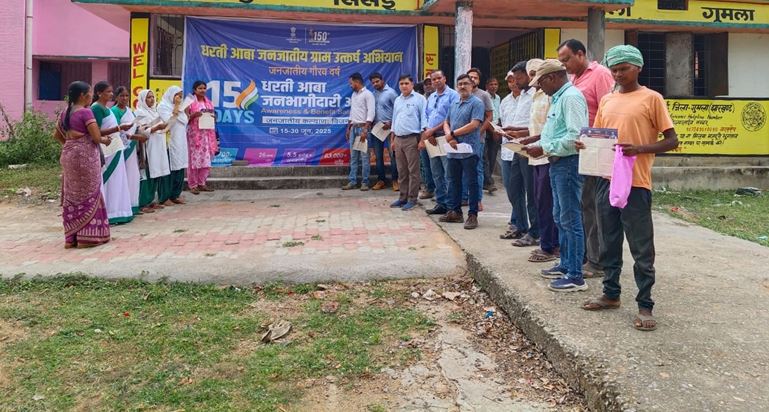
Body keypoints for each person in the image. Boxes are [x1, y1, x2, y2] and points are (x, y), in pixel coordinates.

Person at [580, 45, 678, 332]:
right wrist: (585, 145)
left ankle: (645, 305)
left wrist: (640, 149)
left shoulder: (652, 98)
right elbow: (600, 136)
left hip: (636, 183)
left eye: (624, 68)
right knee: (608, 242)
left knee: (641, 247)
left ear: (638, 67)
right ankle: (611, 294)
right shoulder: (607, 100)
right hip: (606, 181)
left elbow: (672, 140)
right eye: (614, 69)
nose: (618, 74)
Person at [522, 59, 588, 292]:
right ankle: (566, 264)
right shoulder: (559, 98)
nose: (540, 88)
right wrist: (537, 143)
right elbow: (554, 132)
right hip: (557, 163)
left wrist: (544, 148)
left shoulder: (570, 98)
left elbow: (575, 137)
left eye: (540, 83)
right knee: (560, 216)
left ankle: (576, 275)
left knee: (570, 219)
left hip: (568, 163)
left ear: (552, 78)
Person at [558, 39, 616, 278]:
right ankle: (582, 255)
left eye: (567, 59)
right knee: (582, 206)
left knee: (593, 206)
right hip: (579, 150)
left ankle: (597, 260)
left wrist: (601, 146)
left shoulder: (600, 75)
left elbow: (609, 109)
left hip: (596, 149)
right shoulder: (573, 79)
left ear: (580, 54)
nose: (564, 65)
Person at [52, 81, 112, 248]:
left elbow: (56, 134)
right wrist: (106, 140)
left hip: (68, 156)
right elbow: (96, 137)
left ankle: (71, 238)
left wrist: (69, 145)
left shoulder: (65, 112)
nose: (91, 96)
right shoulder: (86, 112)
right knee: (90, 193)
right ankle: (88, 238)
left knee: (72, 194)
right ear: (82, 96)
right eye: (90, 93)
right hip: (86, 157)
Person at [496, 62, 539, 247]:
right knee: (514, 189)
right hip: (515, 147)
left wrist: (519, 132)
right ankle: (520, 226)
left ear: (529, 75)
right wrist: (511, 131)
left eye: (519, 78)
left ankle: (535, 232)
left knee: (531, 192)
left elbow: (536, 124)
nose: (516, 82)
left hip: (531, 148)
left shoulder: (537, 94)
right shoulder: (520, 95)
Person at [440, 74, 485, 230]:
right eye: (460, 84)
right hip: (453, 149)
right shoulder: (454, 103)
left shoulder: (477, 103)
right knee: (453, 181)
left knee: (471, 183)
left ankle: (472, 215)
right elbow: (446, 122)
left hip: (469, 150)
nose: (462, 86)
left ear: (472, 85)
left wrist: (453, 134)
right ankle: (455, 212)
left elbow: (474, 124)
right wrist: (449, 136)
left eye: (466, 83)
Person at [91, 81, 134, 224]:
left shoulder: (106, 108)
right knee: (110, 180)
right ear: (99, 93)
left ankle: (119, 211)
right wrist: (118, 128)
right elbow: (96, 131)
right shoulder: (96, 108)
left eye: (111, 92)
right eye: (108, 92)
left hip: (115, 146)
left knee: (118, 180)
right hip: (107, 148)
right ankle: (109, 212)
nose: (111, 94)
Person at [422, 70, 459, 214]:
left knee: (448, 173)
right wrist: (428, 131)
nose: (436, 81)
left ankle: (451, 205)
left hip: (445, 137)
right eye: (434, 79)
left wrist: (433, 130)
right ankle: (441, 203)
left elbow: (450, 118)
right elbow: (426, 115)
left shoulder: (453, 95)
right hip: (431, 139)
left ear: (445, 78)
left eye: (439, 78)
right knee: (436, 172)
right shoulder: (431, 97)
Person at [389, 74, 426, 211]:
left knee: (413, 171)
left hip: (412, 139)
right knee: (401, 171)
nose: (403, 86)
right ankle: (402, 197)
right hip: (398, 139)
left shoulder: (420, 99)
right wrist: (392, 139)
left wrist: (422, 140)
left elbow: (424, 120)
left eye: (406, 83)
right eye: (401, 84)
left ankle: (412, 199)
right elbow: (394, 120)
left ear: (412, 84)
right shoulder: (398, 100)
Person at [111, 86, 146, 216]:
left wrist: (140, 133)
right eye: (122, 96)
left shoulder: (130, 111)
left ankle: (132, 205)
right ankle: (122, 207)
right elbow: (115, 131)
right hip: (121, 148)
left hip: (132, 149)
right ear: (116, 97)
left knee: (133, 176)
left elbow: (134, 128)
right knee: (122, 177)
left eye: (127, 96)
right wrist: (132, 137)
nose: (125, 98)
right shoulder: (114, 111)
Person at [135, 89, 171, 207]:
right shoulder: (139, 112)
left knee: (157, 172)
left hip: (159, 144)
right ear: (143, 99)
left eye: (152, 97)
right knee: (148, 173)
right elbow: (141, 131)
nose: (151, 99)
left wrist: (164, 127)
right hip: (148, 146)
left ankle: (151, 200)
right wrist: (156, 128)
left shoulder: (155, 112)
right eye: (148, 97)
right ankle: (144, 202)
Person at [464, 68, 493, 210]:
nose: (472, 79)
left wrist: (479, 132)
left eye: (475, 77)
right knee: (463, 169)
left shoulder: (484, 95)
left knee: (477, 169)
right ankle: (464, 197)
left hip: (478, 139)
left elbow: (489, 116)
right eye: (470, 77)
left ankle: (477, 199)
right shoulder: (462, 94)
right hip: (462, 138)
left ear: (479, 80)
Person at [497, 70, 521, 235]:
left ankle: (517, 221)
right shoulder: (505, 101)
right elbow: (501, 121)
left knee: (520, 189)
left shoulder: (529, 98)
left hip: (522, 148)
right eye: (510, 81)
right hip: (506, 149)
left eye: (515, 80)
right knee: (509, 187)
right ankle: (516, 218)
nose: (513, 83)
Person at [185, 81, 218, 194]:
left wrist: (214, 118)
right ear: (194, 90)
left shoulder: (208, 102)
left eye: (204, 88)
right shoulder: (189, 102)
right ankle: (193, 185)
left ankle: (202, 183)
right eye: (200, 88)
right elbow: (184, 119)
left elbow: (213, 117)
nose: (203, 90)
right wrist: (194, 115)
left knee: (206, 160)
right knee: (194, 160)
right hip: (194, 136)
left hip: (207, 135)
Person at [343, 73, 375, 191]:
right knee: (353, 157)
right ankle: (352, 181)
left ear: (357, 82)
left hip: (363, 129)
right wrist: (348, 128)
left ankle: (365, 182)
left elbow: (371, 113)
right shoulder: (354, 95)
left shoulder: (368, 94)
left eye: (351, 83)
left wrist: (365, 129)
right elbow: (352, 112)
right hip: (353, 128)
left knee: (364, 157)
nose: (350, 85)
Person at [158, 85, 189, 204]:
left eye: (181, 96)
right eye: (177, 96)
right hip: (169, 141)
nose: (179, 98)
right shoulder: (163, 106)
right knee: (169, 169)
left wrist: (181, 108)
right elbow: (169, 122)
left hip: (180, 141)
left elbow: (185, 120)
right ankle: (165, 197)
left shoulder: (180, 107)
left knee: (180, 167)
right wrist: (176, 106)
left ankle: (175, 195)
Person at [368, 73, 399, 191]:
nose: (375, 84)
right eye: (373, 83)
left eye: (377, 81)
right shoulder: (373, 94)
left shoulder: (391, 93)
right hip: (377, 128)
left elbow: (398, 110)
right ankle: (381, 180)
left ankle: (395, 180)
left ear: (382, 80)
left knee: (393, 155)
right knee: (378, 156)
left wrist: (391, 123)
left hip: (390, 128)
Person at [484, 77, 501, 194]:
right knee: (485, 157)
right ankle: (489, 182)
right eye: (491, 84)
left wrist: (498, 129)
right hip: (486, 129)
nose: (494, 86)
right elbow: (486, 115)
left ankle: (488, 180)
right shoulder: (485, 96)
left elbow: (498, 114)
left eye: (495, 84)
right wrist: (492, 130)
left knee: (493, 156)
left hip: (496, 128)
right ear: (487, 86)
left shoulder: (498, 97)